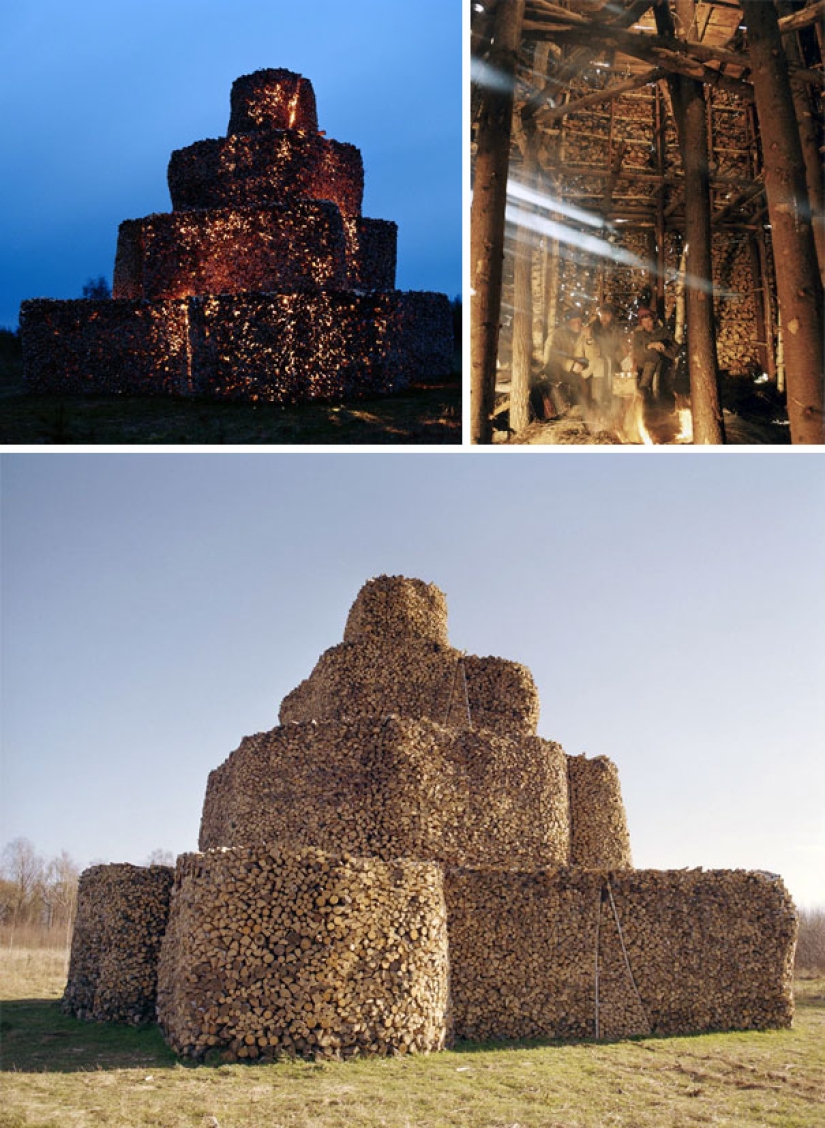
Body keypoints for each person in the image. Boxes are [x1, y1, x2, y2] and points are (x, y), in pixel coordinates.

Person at [545, 308, 605, 408]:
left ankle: (597, 402)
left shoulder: (583, 335)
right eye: (574, 322)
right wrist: (571, 365)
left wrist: (589, 338)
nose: (578, 324)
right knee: (554, 367)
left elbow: (594, 356)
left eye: (579, 322)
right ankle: (563, 405)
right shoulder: (557, 335)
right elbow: (552, 355)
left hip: (579, 371)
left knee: (600, 363)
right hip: (561, 370)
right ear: (567, 323)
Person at [631, 307, 677, 398]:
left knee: (654, 356)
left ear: (653, 320)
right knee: (652, 355)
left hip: (662, 364)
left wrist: (662, 346)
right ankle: (645, 389)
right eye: (644, 322)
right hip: (643, 364)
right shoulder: (638, 334)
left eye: (649, 321)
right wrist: (649, 346)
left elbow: (673, 350)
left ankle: (644, 387)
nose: (647, 324)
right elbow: (635, 351)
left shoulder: (663, 332)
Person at [588, 302, 624, 408]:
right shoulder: (593, 328)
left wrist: (621, 358)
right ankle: (599, 405)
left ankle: (613, 405)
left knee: (615, 374)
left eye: (607, 315)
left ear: (611, 316)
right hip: (597, 360)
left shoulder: (615, 329)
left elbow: (619, 346)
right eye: (602, 314)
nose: (604, 317)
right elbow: (589, 345)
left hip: (611, 360)